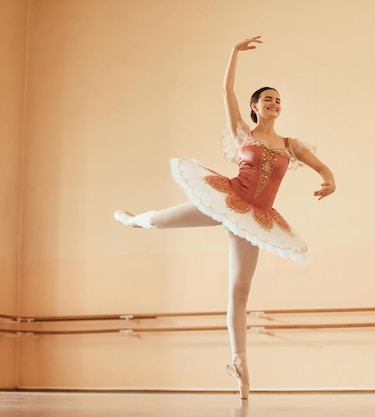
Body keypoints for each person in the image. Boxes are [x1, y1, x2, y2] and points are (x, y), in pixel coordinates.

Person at [113, 36, 336, 399]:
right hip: (228, 199)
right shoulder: (242, 133)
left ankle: (240, 364)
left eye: (279, 101)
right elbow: (225, 89)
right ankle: (134, 220)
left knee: (240, 291)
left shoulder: (289, 144)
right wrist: (233, 52)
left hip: (257, 217)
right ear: (255, 106)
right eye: (268, 99)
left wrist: (330, 181)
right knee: (158, 222)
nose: (275, 104)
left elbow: (322, 166)